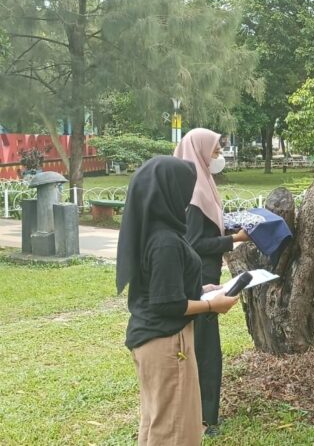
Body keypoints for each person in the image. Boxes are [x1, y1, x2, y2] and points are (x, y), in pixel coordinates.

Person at [116, 156, 240, 445]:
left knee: (157, 423)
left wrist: (200, 287)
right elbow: (167, 304)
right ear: (170, 192)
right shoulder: (165, 242)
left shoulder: (159, 231)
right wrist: (212, 304)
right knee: (173, 430)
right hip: (166, 342)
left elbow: (162, 287)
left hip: (153, 339)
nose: (188, 198)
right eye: (185, 190)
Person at [173, 128, 250, 437]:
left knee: (201, 346)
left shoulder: (201, 184)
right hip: (199, 279)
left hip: (208, 274)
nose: (218, 157)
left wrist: (227, 227)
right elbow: (193, 243)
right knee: (206, 349)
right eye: (215, 151)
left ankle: (202, 413)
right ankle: (206, 419)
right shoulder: (193, 194)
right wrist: (234, 239)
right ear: (200, 151)